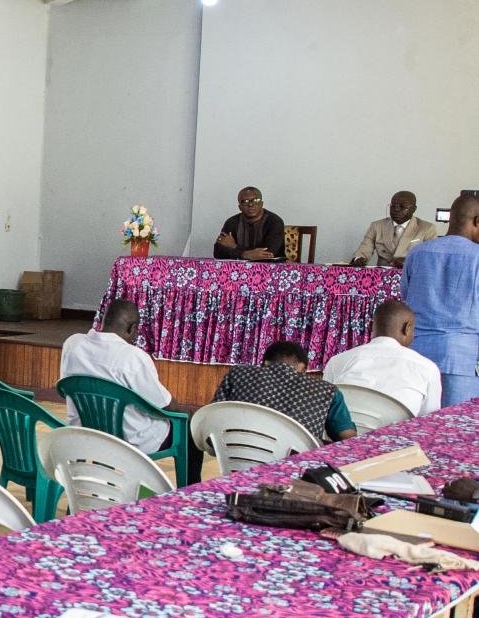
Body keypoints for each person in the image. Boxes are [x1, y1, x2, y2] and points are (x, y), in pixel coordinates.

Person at [60, 300, 202, 482]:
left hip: (86, 435)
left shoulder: (72, 345)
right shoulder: (132, 357)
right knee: (189, 428)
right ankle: (190, 492)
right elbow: (165, 406)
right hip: (131, 442)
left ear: (103, 320)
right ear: (132, 328)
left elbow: (64, 390)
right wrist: (189, 413)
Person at [401, 193, 479, 407]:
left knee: (417, 421)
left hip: (417, 353)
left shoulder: (417, 253)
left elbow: (406, 296)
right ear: (477, 221)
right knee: (458, 421)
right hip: (462, 358)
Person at [212, 340, 355, 441]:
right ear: (304, 369)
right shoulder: (327, 391)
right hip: (295, 467)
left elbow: (213, 415)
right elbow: (347, 437)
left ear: (264, 364)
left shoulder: (238, 373)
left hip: (237, 457)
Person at [321, 300, 442, 418]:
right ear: (407, 328)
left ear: (371, 326)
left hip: (343, 430)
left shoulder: (336, 361)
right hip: (395, 431)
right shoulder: (427, 368)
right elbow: (429, 421)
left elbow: (323, 410)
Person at [351, 190, 437, 268]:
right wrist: (358, 259)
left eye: (402, 207)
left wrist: (407, 262)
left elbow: (431, 258)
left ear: (414, 209)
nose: (396, 210)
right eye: (393, 206)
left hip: (412, 275)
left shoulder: (427, 228)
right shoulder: (377, 226)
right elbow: (363, 250)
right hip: (382, 276)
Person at [214, 186, 285, 261]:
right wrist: (244, 254)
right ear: (240, 207)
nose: (251, 204)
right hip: (237, 267)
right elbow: (218, 253)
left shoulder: (274, 222)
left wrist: (235, 247)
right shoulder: (231, 222)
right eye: (245, 201)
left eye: (255, 200)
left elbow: (268, 254)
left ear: (261, 204)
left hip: (271, 267)